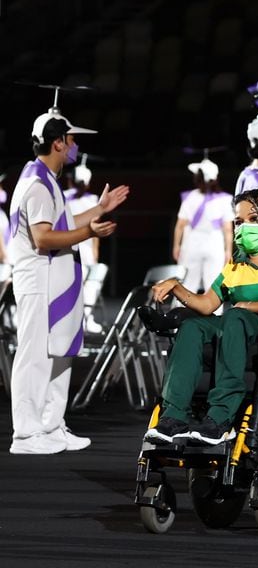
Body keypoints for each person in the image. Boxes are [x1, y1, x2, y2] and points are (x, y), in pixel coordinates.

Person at [145, 187, 258, 445]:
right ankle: (174, 416)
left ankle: (221, 418)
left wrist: (248, 305)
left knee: (234, 317)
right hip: (241, 325)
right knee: (192, 326)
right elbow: (208, 304)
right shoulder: (237, 261)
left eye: (253, 220)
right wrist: (176, 286)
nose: (244, 227)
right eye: (239, 221)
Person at [8, 107, 129, 454]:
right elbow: (44, 238)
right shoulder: (36, 185)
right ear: (58, 143)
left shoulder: (48, 181)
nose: (75, 144)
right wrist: (87, 231)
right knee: (35, 356)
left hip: (56, 281)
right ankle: (27, 434)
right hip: (38, 281)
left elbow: (65, 222)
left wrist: (99, 208)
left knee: (60, 352)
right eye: (72, 139)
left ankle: (50, 425)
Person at [172, 157, 234, 296]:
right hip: (215, 244)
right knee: (213, 287)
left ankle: (181, 316)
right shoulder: (225, 199)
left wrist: (176, 245)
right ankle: (215, 317)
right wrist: (228, 250)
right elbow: (228, 229)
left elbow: (180, 225)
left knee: (187, 285)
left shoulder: (190, 196)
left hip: (192, 243)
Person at [63, 158, 103, 334]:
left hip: (86, 249)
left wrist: (95, 252)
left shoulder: (93, 200)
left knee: (91, 283)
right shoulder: (64, 198)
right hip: (68, 248)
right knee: (71, 284)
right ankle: (71, 319)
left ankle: (87, 317)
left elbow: (95, 228)